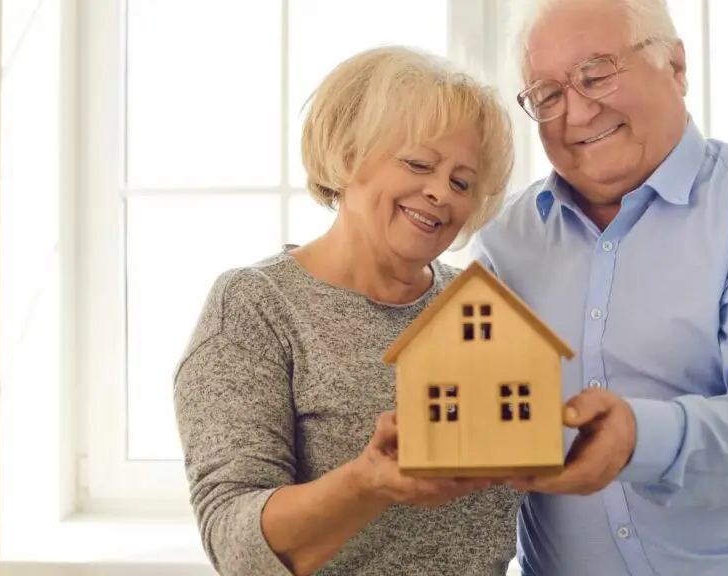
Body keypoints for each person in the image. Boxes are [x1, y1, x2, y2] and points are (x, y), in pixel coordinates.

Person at [471, 0, 728, 574]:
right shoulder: (505, 240)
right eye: (547, 95)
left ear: (675, 66)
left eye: (596, 74)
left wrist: (640, 439)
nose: (576, 112)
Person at [173, 45, 521, 576]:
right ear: (349, 154)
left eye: (461, 182)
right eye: (419, 164)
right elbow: (234, 544)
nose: (439, 194)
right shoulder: (256, 305)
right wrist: (366, 482)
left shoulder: (478, 309)